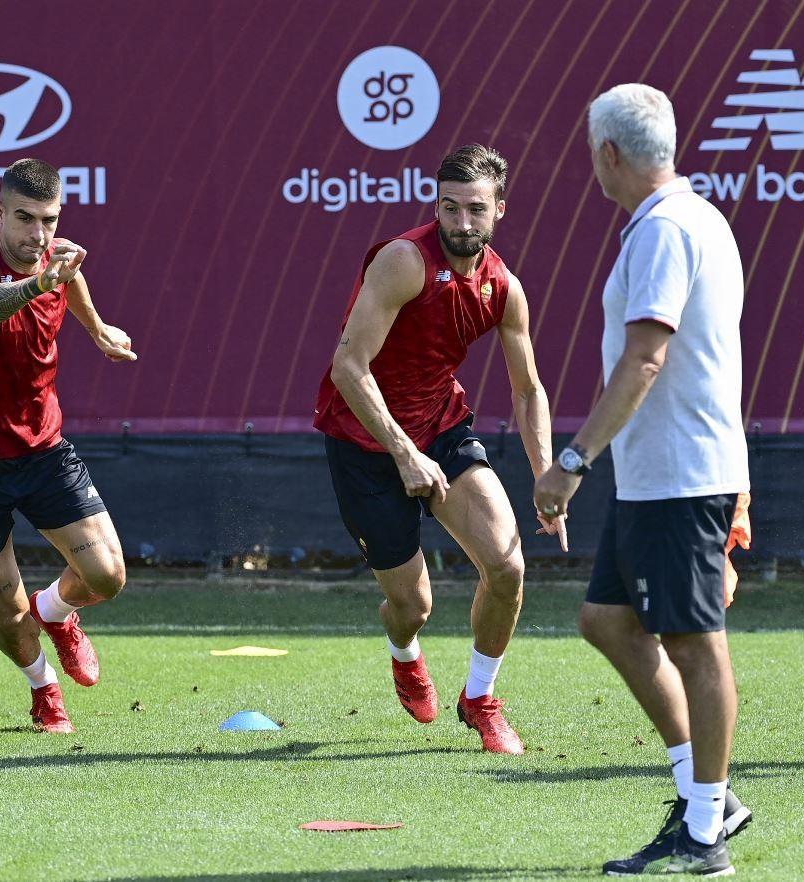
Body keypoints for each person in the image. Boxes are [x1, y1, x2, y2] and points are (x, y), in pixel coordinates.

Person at [534, 84, 752, 875]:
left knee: (695, 644)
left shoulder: (664, 229)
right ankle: (707, 798)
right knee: (606, 621)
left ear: (608, 154)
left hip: (677, 475)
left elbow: (647, 358)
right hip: (660, 475)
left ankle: (703, 837)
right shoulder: (697, 218)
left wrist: (569, 463)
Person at [314, 144, 566, 755]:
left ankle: (480, 698)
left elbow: (528, 389)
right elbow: (348, 366)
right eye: (449, 208)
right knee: (412, 604)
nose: (460, 223)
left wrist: (546, 478)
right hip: (365, 442)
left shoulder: (504, 287)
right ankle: (405, 654)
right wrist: (402, 452)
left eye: (475, 210)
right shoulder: (404, 261)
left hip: (442, 429)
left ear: (499, 210)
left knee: (507, 568)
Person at [0, 158, 137, 734]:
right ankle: (44, 689)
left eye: (48, 219)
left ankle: (58, 614)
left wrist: (98, 331)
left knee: (108, 576)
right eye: (23, 219)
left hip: (42, 450)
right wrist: (41, 281)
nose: (36, 234)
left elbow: (70, 280)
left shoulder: (56, 258)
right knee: (4, 613)